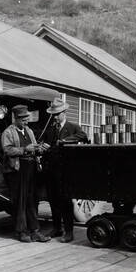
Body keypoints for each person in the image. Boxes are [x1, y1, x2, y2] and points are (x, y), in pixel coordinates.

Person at [1, 105, 51, 243]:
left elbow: (34, 148)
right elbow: (7, 150)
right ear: (15, 118)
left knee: (32, 201)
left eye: (26, 119)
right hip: (17, 171)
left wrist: (40, 148)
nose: (26, 122)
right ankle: (22, 232)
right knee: (20, 202)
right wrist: (25, 149)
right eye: (23, 119)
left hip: (31, 168)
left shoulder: (28, 131)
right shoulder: (8, 132)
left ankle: (35, 231)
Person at [42, 97, 88, 243]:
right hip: (50, 170)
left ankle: (69, 232)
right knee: (53, 200)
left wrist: (64, 141)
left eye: (57, 114)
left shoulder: (72, 127)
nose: (55, 117)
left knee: (65, 201)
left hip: (65, 172)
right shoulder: (50, 130)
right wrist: (44, 148)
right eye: (53, 115)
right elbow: (47, 145)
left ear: (64, 112)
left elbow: (83, 136)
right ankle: (57, 228)